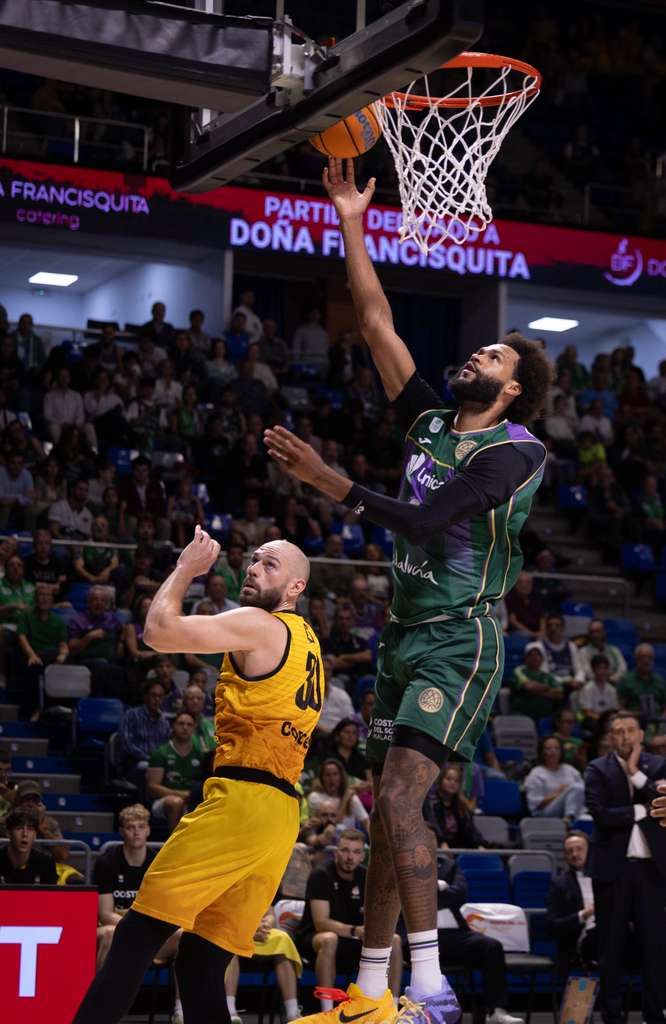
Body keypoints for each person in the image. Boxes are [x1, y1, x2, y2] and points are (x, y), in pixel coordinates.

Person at [266, 157, 550, 1024]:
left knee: (397, 800)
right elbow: (377, 321)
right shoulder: (429, 422)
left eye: (491, 356)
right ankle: (372, 988)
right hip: (403, 633)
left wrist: (329, 482)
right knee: (387, 814)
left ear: (511, 390)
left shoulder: (518, 452)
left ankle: (430, 987)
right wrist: (353, 221)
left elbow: (429, 521)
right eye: (478, 348)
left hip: (460, 638)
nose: (475, 355)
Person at [72, 530, 322, 1024]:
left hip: (242, 801)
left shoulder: (261, 624)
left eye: (269, 564)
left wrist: (186, 567)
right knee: (201, 961)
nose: (253, 568)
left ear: (296, 588)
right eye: (253, 560)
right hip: (280, 816)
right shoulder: (309, 642)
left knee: (136, 933)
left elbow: (157, 632)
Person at [585, 710, 666, 1024]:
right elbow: (601, 815)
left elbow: (660, 799)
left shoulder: (659, 766)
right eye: (618, 731)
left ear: (641, 735)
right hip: (612, 871)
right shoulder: (597, 768)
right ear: (610, 737)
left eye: (630, 730)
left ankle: (654, 1014)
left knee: (654, 946)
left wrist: (634, 772)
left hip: (652, 871)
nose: (625, 737)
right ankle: (612, 1014)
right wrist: (640, 810)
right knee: (611, 946)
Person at [296, 829, 402, 1015]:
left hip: (356, 938)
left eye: (356, 852)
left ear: (363, 856)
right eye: (345, 850)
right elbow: (321, 923)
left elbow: (378, 914)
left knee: (394, 940)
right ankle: (327, 1011)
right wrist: (355, 931)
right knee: (329, 939)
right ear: (336, 852)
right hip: (315, 940)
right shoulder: (321, 875)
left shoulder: (367, 876)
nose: (350, 857)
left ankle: (392, 1009)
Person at [94, 803, 181, 997]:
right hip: (117, 929)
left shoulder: (158, 863)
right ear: (121, 831)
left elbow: (163, 908)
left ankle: (181, 1007)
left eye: (141, 827)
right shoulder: (107, 862)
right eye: (130, 827)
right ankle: (101, 1001)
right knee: (109, 933)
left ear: (148, 830)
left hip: (147, 931)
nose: (136, 832)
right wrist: (136, 927)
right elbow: (106, 914)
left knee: (184, 936)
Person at [434, 853, 522, 1024]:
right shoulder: (404, 863)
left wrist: (432, 893)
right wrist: (440, 886)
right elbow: (410, 895)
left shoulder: (449, 865)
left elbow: (460, 894)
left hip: (454, 934)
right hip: (418, 934)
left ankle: (496, 1011)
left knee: (491, 946)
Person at [225, 907, 302, 1024]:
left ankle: (292, 1012)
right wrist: (249, 929)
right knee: (228, 944)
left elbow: (270, 913)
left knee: (283, 938)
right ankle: (230, 1011)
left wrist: (267, 923)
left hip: (259, 931)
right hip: (233, 931)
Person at [546, 831, 597, 973]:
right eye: (570, 851)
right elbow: (553, 925)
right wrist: (583, 915)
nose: (575, 854)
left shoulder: (606, 879)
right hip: (578, 941)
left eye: (579, 849)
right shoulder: (560, 884)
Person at [146, 711, 202, 833]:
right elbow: (153, 787)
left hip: (192, 800)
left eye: (189, 724)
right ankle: (176, 842)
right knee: (176, 802)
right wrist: (182, 795)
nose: (185, 727)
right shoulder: (160, 753)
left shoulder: (201, 754)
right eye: (181, 723)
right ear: (173, 726)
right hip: (164, 800)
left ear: (194, 728)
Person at [118, 679, 171, 786]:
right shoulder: (131, 715)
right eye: (153, 695)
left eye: (160, 696)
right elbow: (127, 745)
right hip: (135, 763)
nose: (157, 699)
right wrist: (150, 759)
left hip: (157, 765)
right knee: (150, 775)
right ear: (145, 696)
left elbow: (166, 747)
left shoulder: (164, 722)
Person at [525, 736, 585, 821]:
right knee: (576, 787)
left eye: (557, 748)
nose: (553, 752)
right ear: (542, 752)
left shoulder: (570, 770)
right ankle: (569, 819)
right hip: (545, 811)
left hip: (576, 808)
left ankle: (572, 817)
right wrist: (559, 793)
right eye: (548, 749)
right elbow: (535, 804)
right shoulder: (536, 773)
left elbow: (583, 792)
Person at [424, 765, 483, 850]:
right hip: (438, 847)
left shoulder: (462, 805)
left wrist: (479, 844)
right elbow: (433, 826)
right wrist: (442, 842)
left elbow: (470, 829)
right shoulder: (430, 803)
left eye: (456, 781)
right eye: (448, 779)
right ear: (440, 781)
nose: (452, 783)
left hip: (460, 847)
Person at [308, 758, 369, 833]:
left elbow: (366, 822)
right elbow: (332, 823)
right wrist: (344, 800)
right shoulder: (315, 797)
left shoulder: (352, 798)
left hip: (349, 837)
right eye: (327, 775)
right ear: (322, 778)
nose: (331, 779)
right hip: (324, 837)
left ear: (341, 777)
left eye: (335, 774)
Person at [0, 807, 57, 884]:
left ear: (35, 835)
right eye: (19, 828)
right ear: (8, 833)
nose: (25, 834)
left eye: (30, 829)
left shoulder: (46, 862)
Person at [511, 642, 564, 721]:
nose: (535, 658)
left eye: (538, 655)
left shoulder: (547, 676)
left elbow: (559, 694)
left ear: (542, 659)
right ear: (525, 658)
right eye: (531, 655)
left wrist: (536, 690)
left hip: (547, 715)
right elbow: (529, 687)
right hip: (523, 714)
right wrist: (546, 687)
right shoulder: (519, 671)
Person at [534, 613, 585, 693]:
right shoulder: (538, 646)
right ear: (546, 628)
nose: (553, 628)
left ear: (563, 628)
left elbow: (579, 669)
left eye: (557, 625)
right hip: (551, 686)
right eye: (550, 625)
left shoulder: (571, 646)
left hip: (572, 685)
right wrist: (565, 682)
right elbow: (544, 673)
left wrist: (578, 680)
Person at [617, 643, 666, 718]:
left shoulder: (660, 682)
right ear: (636, 660)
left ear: (653, 660)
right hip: (633, 721)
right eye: (642, 657)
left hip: (658, 721)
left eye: (650, 657)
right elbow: (620, 709)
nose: (646, 661)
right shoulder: (625, 681)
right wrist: (634, 715)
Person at [579, 655, 619, 722]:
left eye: (605, 668)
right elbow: (587, 712)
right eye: (599, 668)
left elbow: (615, 711)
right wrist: (602, 721)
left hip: (609, 720)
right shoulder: (587, 689)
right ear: (593, 670)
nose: (602, 671)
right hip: (594, 720)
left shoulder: (612, 690)